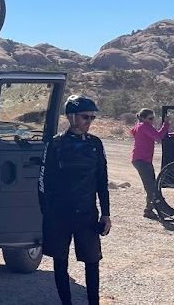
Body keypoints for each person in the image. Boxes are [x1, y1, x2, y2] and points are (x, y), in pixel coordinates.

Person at [40, 95, 111, 305]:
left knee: (92, 262)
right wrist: (47, 214)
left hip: (87, 215)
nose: (89, 121)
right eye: (85, 117)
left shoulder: (95, 144)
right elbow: (43, 182)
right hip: (59, 216)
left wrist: (106, 214)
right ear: (71, 117)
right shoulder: (55, 144)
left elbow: (102, 180)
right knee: (60, 261)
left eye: (92, 117)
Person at [130, 108, 170, 219]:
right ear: (143, 118)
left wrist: (170, 133)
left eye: (153, 118)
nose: (152, 121)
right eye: (150, 118)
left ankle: (153, 209)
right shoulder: (144, 126)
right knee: (151, 187)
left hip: (141, 159)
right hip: (142, 160)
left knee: (152, 185)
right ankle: (150, 210)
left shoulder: (141, 126)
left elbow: (155, 135)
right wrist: (166, 124)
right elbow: (158, 137)